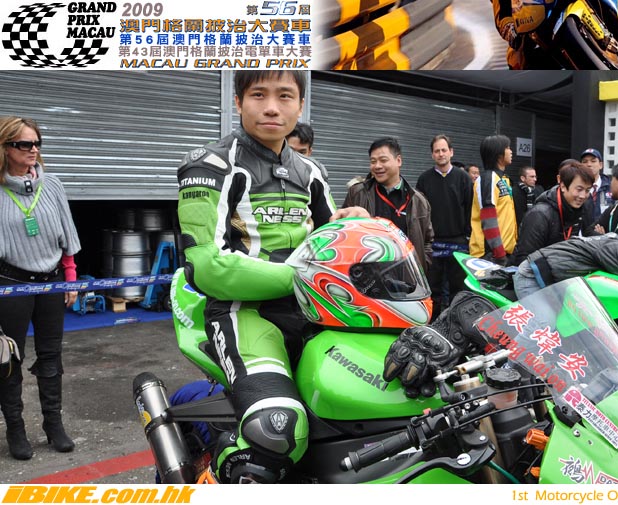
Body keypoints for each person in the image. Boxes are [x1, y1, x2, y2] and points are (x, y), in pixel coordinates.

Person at [176, 71, 368, 484]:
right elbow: (207, 264)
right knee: (277, 430)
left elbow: (328, 239)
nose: (271, 108)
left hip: (317, 314)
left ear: (300, 105)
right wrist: (304, 280)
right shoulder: (209, 165)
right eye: (258, 94)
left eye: (285, 96)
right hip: (243, 313)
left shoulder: (311, 171)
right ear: (238, 101)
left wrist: (351, 222)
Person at [0, 117, 80, 460]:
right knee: (8, 358)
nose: (33, 150)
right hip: (11, 284)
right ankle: (15, 430)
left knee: (51, 356)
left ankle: (53, 425)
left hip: (51, 281)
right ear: (5, 148)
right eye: (24, 144)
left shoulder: (53, 185)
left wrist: (70, 276)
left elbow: (67, 233)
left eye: (36, 143)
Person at [343, 137, 434, 273]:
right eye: (373, 161)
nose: (377, 166)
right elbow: (343, 232)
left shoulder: (418, 201)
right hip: (368, 276)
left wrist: (421, 266)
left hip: (406, 277)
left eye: (383, 160)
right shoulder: (357, 193)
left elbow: (427, 241)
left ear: (398, 161)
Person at [415, 135, 473, 318]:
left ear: (451, 152)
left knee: (458, 287)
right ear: (432, 154)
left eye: (444, 150)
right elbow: (420, 212)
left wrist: (468, 235)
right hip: (434, 243)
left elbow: (470, 208)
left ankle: (455, 322)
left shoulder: (463, 178)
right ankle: (432, 322)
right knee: (433, 287)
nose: (441, 154)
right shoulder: (424, 179)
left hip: (458, 241)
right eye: (437, 151)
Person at [512, 234, 618, 299]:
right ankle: (511, 359)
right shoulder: (613, 247)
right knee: (544, 324)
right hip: (531, 276)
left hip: (546, 278)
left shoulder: (607, 246)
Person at [509, 161, 595, 267]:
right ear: (563, 186)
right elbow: (524, 260)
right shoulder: (539, 215)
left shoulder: (577, 210)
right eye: (579, 189)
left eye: (587, 190)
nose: (583, 196)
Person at [470, 135, 518, 266]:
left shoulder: (504, 179)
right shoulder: (488, 178)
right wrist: (499, 254)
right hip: (490, 255)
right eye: (508, 148)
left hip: (504, 253)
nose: (511, 151)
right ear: (498, 153)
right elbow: (488, 218)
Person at [580, 148, 611, 221]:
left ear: (600, 165)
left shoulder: (611, 187)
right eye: (585, 162)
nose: (589, 164)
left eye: (593, 161)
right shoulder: (577, 188)